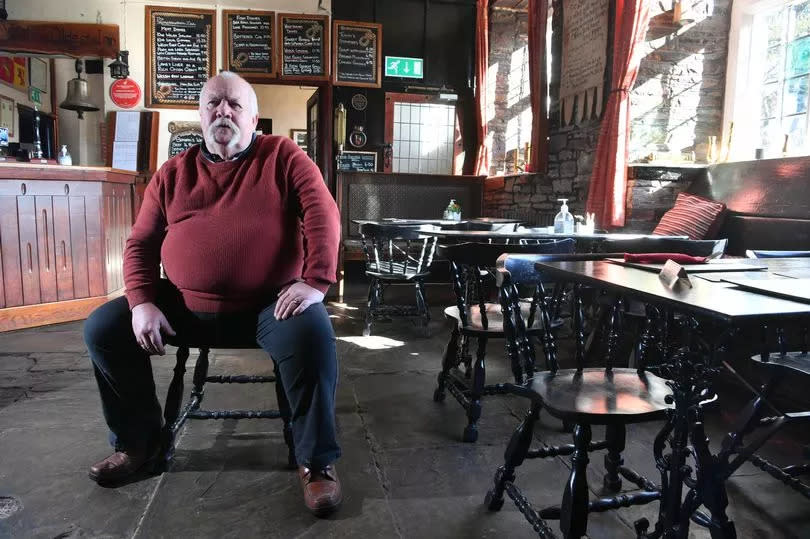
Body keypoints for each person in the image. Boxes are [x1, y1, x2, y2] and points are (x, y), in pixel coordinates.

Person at [83, 71, 343, 517]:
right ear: (200, 116)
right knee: (105, 327)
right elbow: (140, 243)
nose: (223, 111)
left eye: (234, 104)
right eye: (213, 104)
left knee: (314, 335)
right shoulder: (173, 172)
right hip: (186, 305)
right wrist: (142, 299)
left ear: (254, 117)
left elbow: (323, 211)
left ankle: (316, 463)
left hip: (271, 304)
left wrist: (315, 280)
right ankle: (139, 443)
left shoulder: (283, 155)